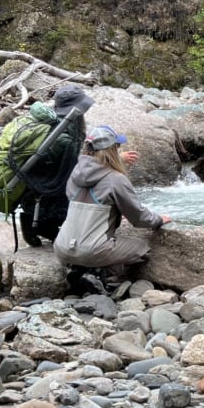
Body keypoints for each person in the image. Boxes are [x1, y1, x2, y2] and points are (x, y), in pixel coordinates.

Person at [53, 125, 171, 293]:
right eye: (117, 147)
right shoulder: (116, 179)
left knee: (95, 244)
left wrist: (113, 212)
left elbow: (87, 200)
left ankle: (79, 270)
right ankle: (101, 274)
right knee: (142, 248)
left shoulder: (75, 174)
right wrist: (159, 219)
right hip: (92, 250)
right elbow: (138, 218)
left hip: (62, 247)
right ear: (112, 151)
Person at [18, 84, 95, 247]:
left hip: (34, 184)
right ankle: (39, 224)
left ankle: (37, 222)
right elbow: (75, 165)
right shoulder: (62, 132)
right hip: (47, 184)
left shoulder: (55, 121)